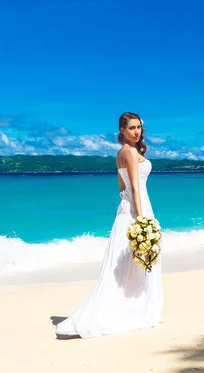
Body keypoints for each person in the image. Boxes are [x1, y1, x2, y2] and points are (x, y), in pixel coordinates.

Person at [54, 112, 163, 338]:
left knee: (129, 262)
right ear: (122, 130)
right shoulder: (131, 153)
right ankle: (134, 310)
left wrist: (130, 209)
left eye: (138, 127)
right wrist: (141, 219)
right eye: (132, 128)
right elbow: (133, 187)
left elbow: (121, 188)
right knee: (136, 260)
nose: (137, 132)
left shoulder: (120, 153)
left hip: (128, 208)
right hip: (138, 209)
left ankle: (132, 307)